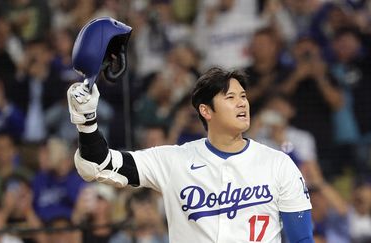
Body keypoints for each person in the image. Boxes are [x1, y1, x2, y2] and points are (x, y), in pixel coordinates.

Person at [66, 67, 313, 242]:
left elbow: (302, 238)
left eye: (244, 96)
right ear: (206, 110)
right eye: (230, 97)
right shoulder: (175, 160)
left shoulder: (279, 164)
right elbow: (97, 164)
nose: (242, 103)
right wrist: (87, 123)